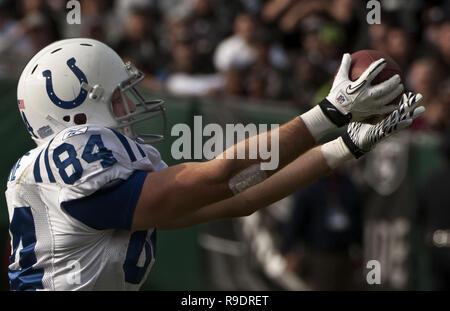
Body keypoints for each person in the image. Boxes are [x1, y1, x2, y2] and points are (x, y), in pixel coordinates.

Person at [6, 38, 423, 290]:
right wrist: (329, 113)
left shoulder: (106, 187)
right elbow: (214, 179)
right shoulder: (72, 160)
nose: (130, 106)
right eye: (118, 96)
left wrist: (344, 146)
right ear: (75, 108)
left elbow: (239, 196)